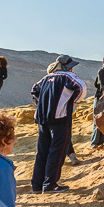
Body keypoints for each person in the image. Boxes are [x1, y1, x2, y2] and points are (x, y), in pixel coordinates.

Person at [30, 55, 86, 191]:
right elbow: (82, 88)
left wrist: (43, 103)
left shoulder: (46, 78)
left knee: (42, 151)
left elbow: (34, 90)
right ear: (67, 67)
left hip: (43, 118)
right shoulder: (67, 76)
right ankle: (50, 184)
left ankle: (37, 185)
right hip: (60, 117)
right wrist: (73, 101)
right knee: (57, 150)